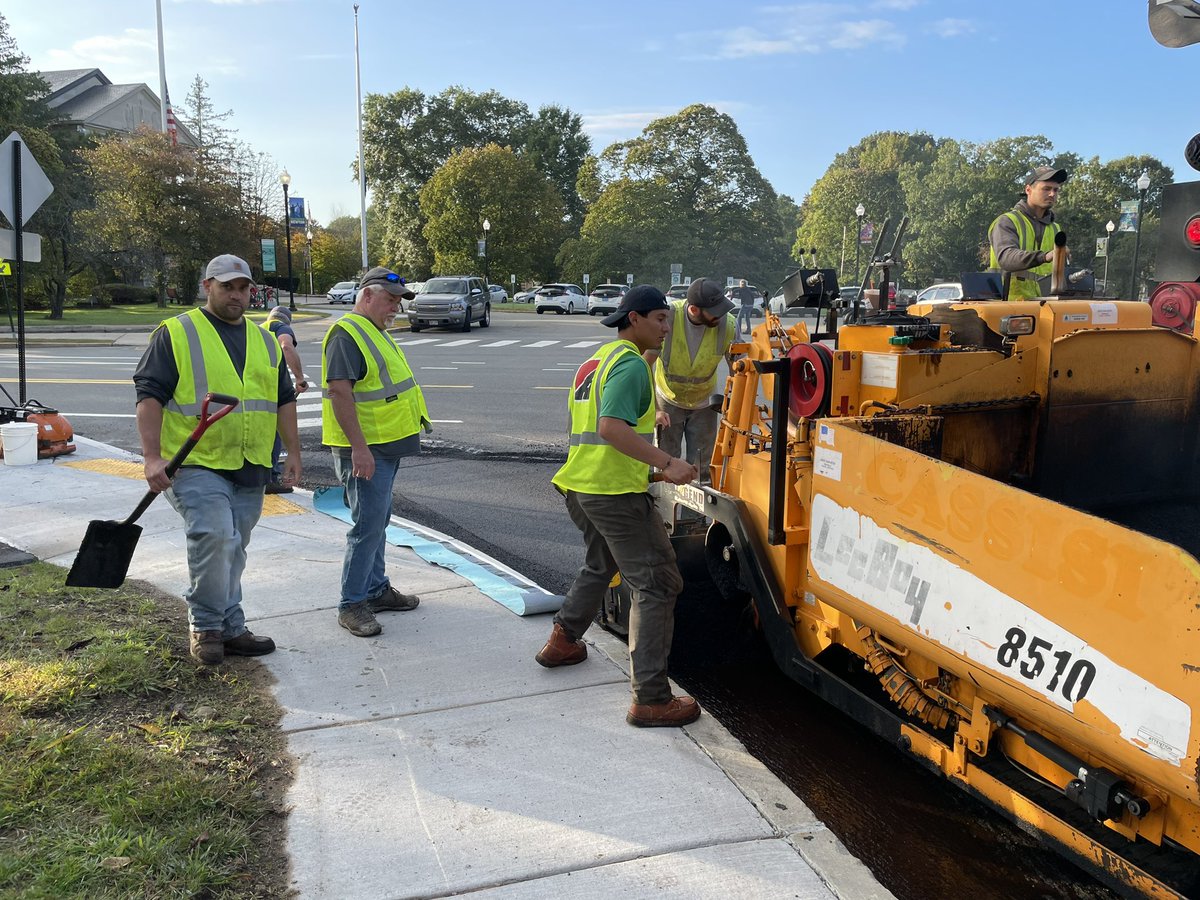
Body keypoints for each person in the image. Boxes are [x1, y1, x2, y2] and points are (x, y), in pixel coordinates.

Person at [535, 284, 703, 729]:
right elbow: (610, 428)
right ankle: (651, 699)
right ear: (634, 319)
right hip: (613, 496)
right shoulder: (630, 365)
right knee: (658, 583)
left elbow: (593, 433)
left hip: (581, 486)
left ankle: (562, 641)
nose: (666, 328)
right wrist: (667, 462)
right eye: (660, 319)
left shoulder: (596, 362)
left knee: (601, 563)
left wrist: (649, 472)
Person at [133, 254, 302, 665]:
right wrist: (152, 458)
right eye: (227, 287)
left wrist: (293, 452)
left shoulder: (266, 341)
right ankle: (206, 626)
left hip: (249, 462)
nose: (237, 295)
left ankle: (230, 627)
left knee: (234, 546)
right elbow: (149, 396)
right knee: (214, 536)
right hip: (195, 461)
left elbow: (283, 399)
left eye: (244, 288)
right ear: (207, 286)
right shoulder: (178, 332)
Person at [321, 266, 427, 638]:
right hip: (367, 450)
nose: (396, 307)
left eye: (399, 300)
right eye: (391, 299)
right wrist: (359, 448)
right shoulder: (347, 334)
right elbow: (340, 392)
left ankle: (376, 589)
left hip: (384, 445)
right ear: (367, 295)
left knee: (377, 521)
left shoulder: (372, 330)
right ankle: (351, 604)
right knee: (367, 527)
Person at [645, 278, 736, 486]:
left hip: (704, 403)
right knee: (666, 462)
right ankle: (665, 505)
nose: (721, 315)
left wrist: (733, 407)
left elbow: (738, 371)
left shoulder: (728, 325)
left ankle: (697, 505)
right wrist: (655, 410)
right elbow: (645, 365)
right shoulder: (668, 320)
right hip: (668, 399)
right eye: (715, 311)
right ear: (694, 310)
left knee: (701, 466)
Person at [987, 166, 1068, 301]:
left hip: (1044, 306)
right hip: (1007, 306)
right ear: (1028, 190)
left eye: (1055, 190)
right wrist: (1044, 256)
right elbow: (1006, 258)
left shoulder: (1056, 229)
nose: (1052, 194)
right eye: (1046, 189)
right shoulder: (1007, 221)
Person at [264, 306, 309, 493]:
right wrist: (299, 378)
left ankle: (263, 475)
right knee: (276, 430)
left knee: (263, 432)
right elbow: (286, 346)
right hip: (271, 388)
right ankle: (270, 478)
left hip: (256, 386)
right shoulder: (280, 327)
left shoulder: (259, 329)